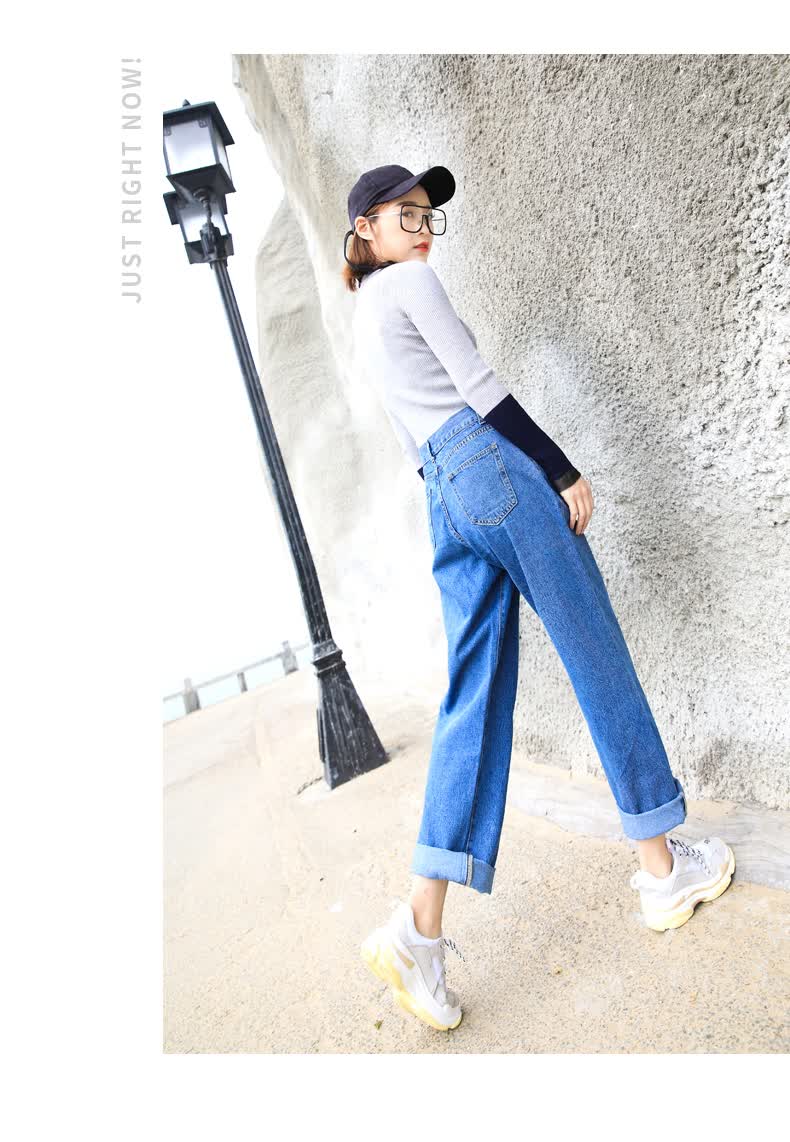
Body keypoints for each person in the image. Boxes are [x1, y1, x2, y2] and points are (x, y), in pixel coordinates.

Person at [347, 164, 735, 1032]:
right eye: (406, 214)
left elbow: (415, 433)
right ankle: (663, 869)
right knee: (594, 649)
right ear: (365, 227)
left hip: (443, 493)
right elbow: (478, 386)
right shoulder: (409, 283)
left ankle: (419, 929)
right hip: (490, 464)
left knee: (472, 696)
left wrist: (466, 490)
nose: (423, 228)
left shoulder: (363, 314)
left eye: (429, 216)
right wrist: (558, 468)